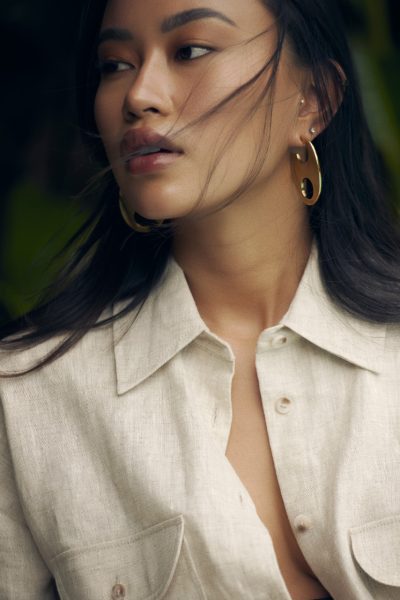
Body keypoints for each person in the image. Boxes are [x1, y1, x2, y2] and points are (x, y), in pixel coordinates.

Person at [0, 0, 399, 598]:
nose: (139, 95)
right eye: (114, 65)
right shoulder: (28, 398)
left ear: (314, 100)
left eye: (190, 51)